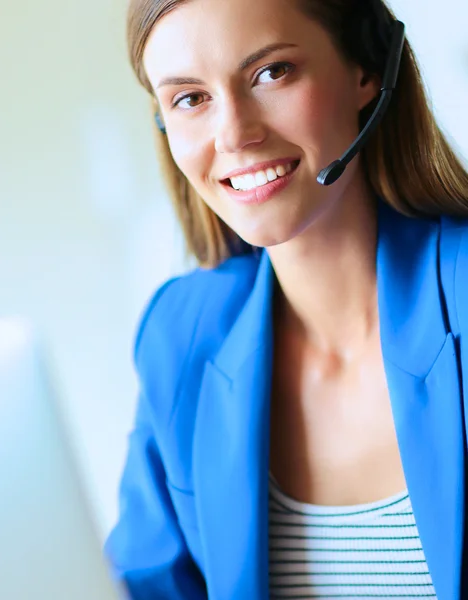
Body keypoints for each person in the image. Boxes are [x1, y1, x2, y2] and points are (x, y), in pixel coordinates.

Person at [104, 0, 468, 598]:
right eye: (190, 99)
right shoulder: (182, 335)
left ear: (367, 70)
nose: (234, 133)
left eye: (271, 72)